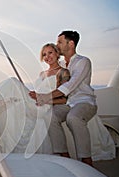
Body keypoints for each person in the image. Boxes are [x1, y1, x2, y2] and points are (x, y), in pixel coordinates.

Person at [0, 43, 70, 154]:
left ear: (57, 53)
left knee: (13, 82)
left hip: (42, 106)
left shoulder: (63, 72)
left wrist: (45, 99)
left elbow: (65, 99)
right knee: (9, 102)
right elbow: (38, 91)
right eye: (44, 54)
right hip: (34, 101)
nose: (47, 57)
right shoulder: (42, 74)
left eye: (50, 53)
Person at [36, 31, 97, 166]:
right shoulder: (61, 65)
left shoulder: (83, 62)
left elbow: (71, 85)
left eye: (60, 42)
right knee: (50, 116)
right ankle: (64, 155)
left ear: (71, 44)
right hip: (67, 103)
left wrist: (46, 96)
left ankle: (86, 160)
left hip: (84, 101)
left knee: (73, 118)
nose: (57, 45)